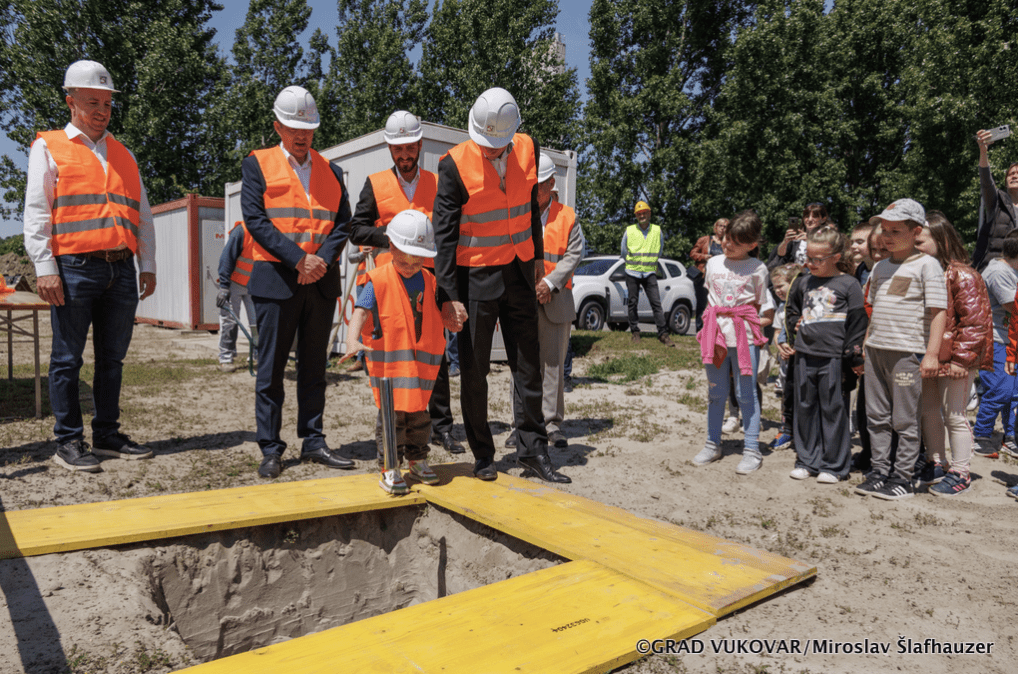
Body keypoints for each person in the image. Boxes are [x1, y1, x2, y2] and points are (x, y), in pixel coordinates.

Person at [24, 60, 156, 472]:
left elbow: (142, 214)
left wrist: (147, 263)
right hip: (73, 268)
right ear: (71, 102)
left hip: (121, 269)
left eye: (107, 103)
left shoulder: (124, 154)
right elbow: (37, 210)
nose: (102, 110)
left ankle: (107, 435)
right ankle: (67, 440)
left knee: (112, 360)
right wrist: (45, 266)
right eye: (92, 102)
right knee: (67, 359)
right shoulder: (49, 146)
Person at [432, 87, 569, 484]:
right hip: (475, 278)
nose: (491, 151)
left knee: (528, 367)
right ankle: (483, 455)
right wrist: (448, 295)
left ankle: (533, 450)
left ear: (512, 134)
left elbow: (529, 211)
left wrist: (537, 260)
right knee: (474, 372)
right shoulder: (453, 165)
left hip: (519, 274)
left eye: (497, 145)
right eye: (485, 144)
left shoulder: (528, 148)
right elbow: (444, 236)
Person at [240, 85, 354, 479]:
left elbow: (343, 223)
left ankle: (314, 440)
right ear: (278, 127)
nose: (301, 136)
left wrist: (320, 260)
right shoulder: (257, 164)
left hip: (320, 281)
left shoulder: (332, 170)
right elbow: (255, 221)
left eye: (307, 129)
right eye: (293, 128)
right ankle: (271, 448)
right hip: (276, 280)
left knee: (314, 368)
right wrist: (298, 259)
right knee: (271, 370)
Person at [347, 110, 465, 455]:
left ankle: (442, 428)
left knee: (433, 355)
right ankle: (395, 430)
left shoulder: (438, 183)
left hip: (430, 282)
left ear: (420, 145)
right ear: (389, 149)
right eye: (398, 149)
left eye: (410, 147)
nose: (404, 155)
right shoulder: (375, 184)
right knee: (396, 361)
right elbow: (356, 230)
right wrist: (393, 237)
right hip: (390, 288)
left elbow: (451, 231)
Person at [344, 211, 447, 494]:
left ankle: (417, 460)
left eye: (418, 261)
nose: (411, 266)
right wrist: (352, 340)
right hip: (390, 370)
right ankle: (390, 467)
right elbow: (361, 311)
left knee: (420, 419)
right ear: (391, 246)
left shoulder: (429, 279)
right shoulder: (377, 280)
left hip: (419, 369)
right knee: (392, 422)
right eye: (404, 260)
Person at [855, 199, 947, 501]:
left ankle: (903, 477)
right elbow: (875, 310)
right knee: (876, 416)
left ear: (916, 231)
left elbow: (939, 312)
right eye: (885, 230)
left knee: (905, 419)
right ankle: (879, 472)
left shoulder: (928, 265)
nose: (887, 236)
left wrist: (931, 354)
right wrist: (866, 344)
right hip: (876, 351)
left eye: (896, 231)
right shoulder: (880, 267)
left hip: (907, 353)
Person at [915, 214, 992, 496]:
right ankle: (936, 461)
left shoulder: (962, 275)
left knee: (955, 414)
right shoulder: (923, 272)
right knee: (929, 410)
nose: (915, 247)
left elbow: (975, 322)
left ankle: (961, 471)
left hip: (956, 358)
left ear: (942, 240)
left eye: (920, 242)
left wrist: (962, 359)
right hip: (931, 355)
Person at [511, 152, 583, 450]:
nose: (533, 191)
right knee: (522, 365)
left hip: (556, 300)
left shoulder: (568, 217)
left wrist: (550, 283)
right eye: (530, 185)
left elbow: (574, 254)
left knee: (553, 365)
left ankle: (551, 424)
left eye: (538, 186)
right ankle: (521, 424)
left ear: (551, 184)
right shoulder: (516, 214)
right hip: (522, 300)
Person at [783, 228, 867, 483]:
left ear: (836, 257)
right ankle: (807, 461)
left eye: (817, 259)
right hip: (805, 356)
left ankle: (834, 465)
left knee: (833, 410)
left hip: (833, 358)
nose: (811, 263)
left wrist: (853, 357)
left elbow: (857, 323)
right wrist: (794, 326)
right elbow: (791, 312)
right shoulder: (803, 282)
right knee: (805, 408)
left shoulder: (849, 284)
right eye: (808, 258)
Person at [694, 210, 773, 474]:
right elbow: (712, 298)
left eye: (735, 243)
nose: (727, 245)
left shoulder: (758, 268)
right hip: (715, 336)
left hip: (744, 338)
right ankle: (712, 443)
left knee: (745, 393)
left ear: (752, 245)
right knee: (716, 392)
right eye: (726, 239)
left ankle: (751, 449)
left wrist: (749, 324)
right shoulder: (714, 264)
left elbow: (764, 307)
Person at [974, 230, 1018, 458]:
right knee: (1000, 390)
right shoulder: (998, 272)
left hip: (1010, 341)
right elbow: (1013, 307)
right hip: (995, 340)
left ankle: (1011, 437)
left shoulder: (1012, 271)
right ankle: (981, 435)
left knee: (1014, 394)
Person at [621, 201, 675, 346]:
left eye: (644, 213)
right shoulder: (629, 231)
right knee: (632, 303)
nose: (642, 216)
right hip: (632, 272)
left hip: (650, 272)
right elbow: (623, 251)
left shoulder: (657, 231)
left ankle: (663, 334)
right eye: (639, 214)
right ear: (636, 216)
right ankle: (635, 332)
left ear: (649, 214)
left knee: (656, 303)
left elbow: (660, 250)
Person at [972, 129, 1018, 271]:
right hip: (995, 271)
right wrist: (983, 151)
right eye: (1011, 174)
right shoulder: (997, 201)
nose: (1014, 176)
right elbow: (986, 180)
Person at [215, 221, 257, 373]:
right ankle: (226, 357)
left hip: (255, 285)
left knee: (258, 322)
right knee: (230, 322)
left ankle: (258, 355)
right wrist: (224, 287)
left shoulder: (270, 231)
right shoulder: (242, 231)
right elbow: (226, 258)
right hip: (234, 283)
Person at [770, 262, 803, 451]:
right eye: (774, 287)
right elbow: (776, 333)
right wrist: (780, 346)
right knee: (785, 396)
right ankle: (786, 428)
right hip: (785, 361)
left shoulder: (802, 305)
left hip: (800, 360)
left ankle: (800, 431)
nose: (777, 291)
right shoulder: (780, 309)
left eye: (781, 286)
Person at [690, 218, 728, 332]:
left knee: (718, 304)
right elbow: (692, 253)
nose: (722, 228)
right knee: (702, 303)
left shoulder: (728, 243)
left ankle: (715, 330)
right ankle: (700, 329)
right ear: (715, 227)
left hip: (721, 278)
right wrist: (704, 257)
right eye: (720, 226)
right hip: (703, 275)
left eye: (725, 227)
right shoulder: (705, 240)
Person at [769, 202, 828, 268]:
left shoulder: (828, 236)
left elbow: (827, 257)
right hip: (796, 273)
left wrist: (810, 241)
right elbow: (780, 254)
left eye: (815, 216)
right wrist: (785, 242)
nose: (810, 219)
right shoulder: (798, 237)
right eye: (807, 216)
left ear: (823, 219)